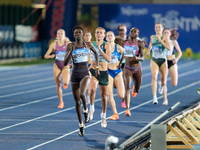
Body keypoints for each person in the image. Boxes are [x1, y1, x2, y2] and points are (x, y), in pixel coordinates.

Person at [63, 26, 99, 136]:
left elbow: (96, 54)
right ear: (74, 35)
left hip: (85, 74)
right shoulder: (70, 45)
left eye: (80, 32)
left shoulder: (87, 44)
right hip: (74, 75)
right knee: (77, 102)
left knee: (82, 93)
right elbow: (65, 63)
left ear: (82, 34)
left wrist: (96, 67)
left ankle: (86, 111)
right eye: (76, 32)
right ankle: (81, 125)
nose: (78, 33)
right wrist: (70, 52)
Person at [118, 27, 145, 117]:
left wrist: (137, 58)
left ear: (138, 34)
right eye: (131, 31)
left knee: (137, 88)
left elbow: (143, 58)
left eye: (135, 32)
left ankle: (136, 89)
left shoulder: (140, 43)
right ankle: (127, 109)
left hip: (137, 68)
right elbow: (123, 54)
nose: (132, 33)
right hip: (127, 67)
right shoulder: (124, 42)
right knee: (127, 87)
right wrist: (119, 63)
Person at [88, 27, 111, 128]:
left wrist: (100, 49)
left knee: (103, 97)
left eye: (100, 33)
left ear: (104, 35)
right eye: (97, 32)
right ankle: (92, 108)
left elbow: (109, 59)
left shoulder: (106, 45)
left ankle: (104, 115)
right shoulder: (91, 44)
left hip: (103, 72)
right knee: (92, 89)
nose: (98, 34)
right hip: (93, 71)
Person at [44, 29, 70, 109]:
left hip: (65, 65)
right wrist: (51, 56)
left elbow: (75, 52)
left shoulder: (68, 44)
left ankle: (65, 83)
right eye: (58, 33)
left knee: (65, 82)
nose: (60, 35)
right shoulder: (54, 44)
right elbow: (45, 55)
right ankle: (61, 102)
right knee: (58, 85)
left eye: (61, 33)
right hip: (57, 65)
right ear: (56, 35)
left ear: (64, 35)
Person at [146, 23, 171, 105]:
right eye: (156, 27)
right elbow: (150, 45)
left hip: (163, 60)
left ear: (162, 28)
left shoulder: (165, 37)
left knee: (164, 81)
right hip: (154, 59)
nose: (157, 29)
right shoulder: (152, 37)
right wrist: (148, 51)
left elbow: (169, 47)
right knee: (154, 77)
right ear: (154, 28)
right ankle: (154, 97)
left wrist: (160, 40)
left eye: (159, 27)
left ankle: (161, 85)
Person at [106, 32, 125, 120]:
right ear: (106, 38)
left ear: (114, 38)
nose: (109, 37)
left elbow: (125, 55)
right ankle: (115, 113)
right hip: (108, 72)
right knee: (110, 94)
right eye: (108, 36)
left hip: (117, 72)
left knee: (121, 95)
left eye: (111, 36)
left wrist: (121, 63)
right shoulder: (104, 47)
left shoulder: (118, 47)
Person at [117, 24, 128, 108]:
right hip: (115, 63)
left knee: (124, 80)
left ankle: (123, 100)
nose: (122, 34)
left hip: (125, 63)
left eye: (123, 32)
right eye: (120, 32)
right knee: (114, 84)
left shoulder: (129, 40)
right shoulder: (115, 40)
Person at [83, 31, 93, 104]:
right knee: (85, 82)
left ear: (91, 37)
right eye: (86, 35)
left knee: (90, 82)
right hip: (84, 65)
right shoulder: (81, 45)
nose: (87, 36)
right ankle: (87, 94)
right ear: (84, 37)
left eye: (88, 35)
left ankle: (89, 95)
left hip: (91, 65)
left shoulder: (94, 45)